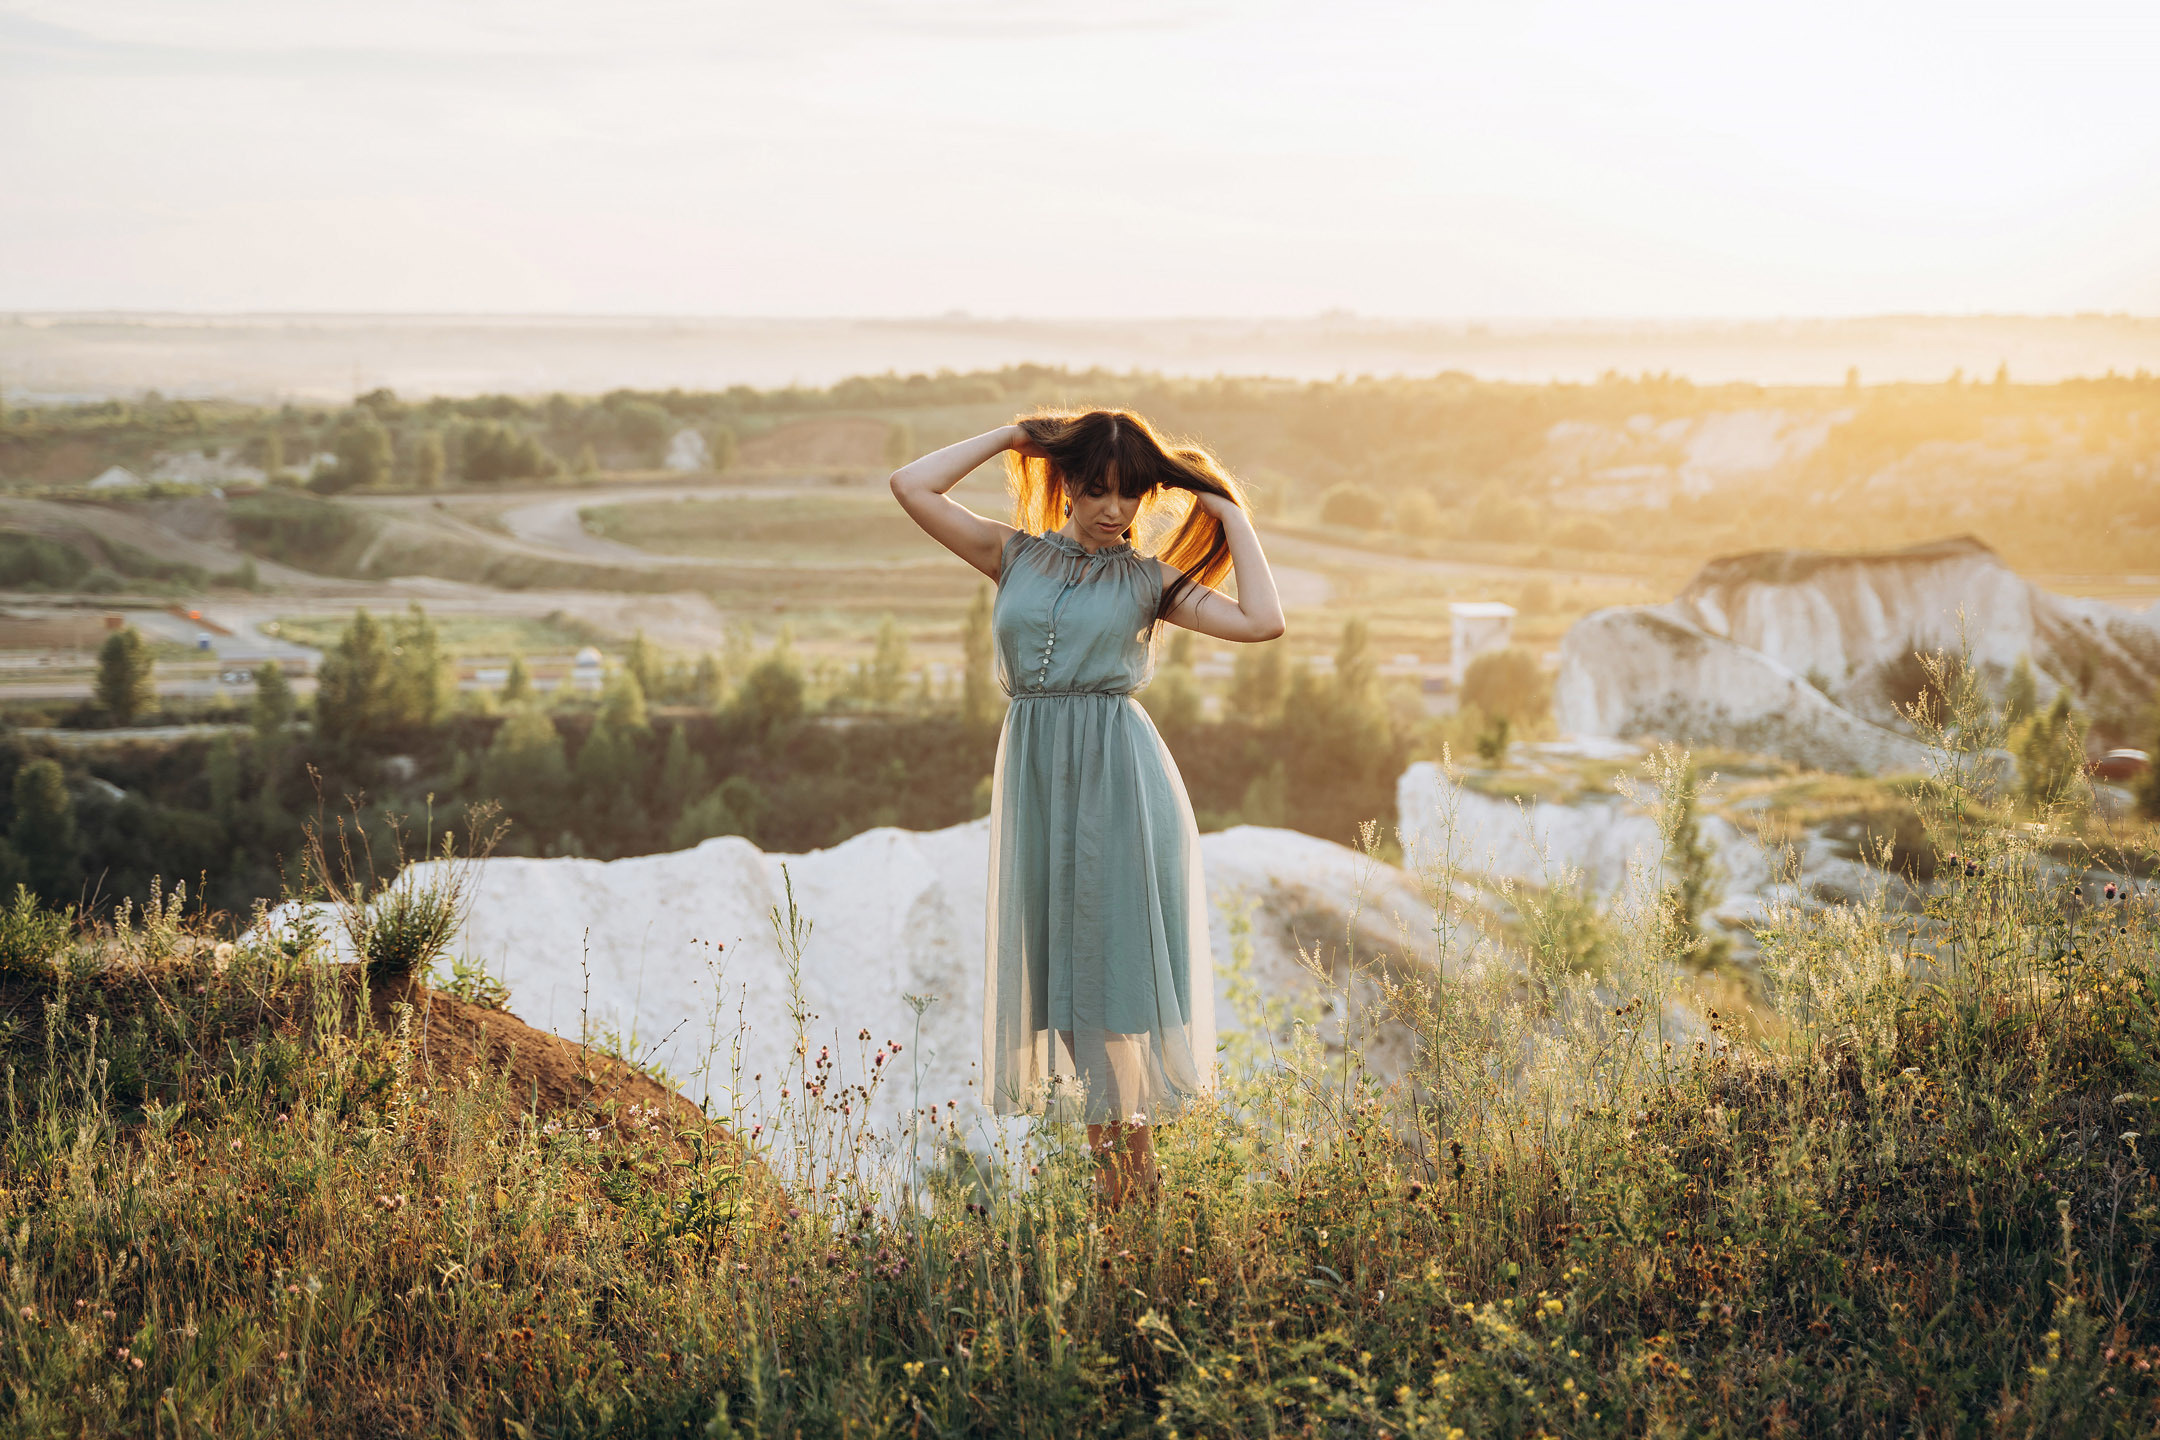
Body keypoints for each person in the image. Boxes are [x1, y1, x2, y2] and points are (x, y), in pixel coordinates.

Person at [890, 409, 1286, 1208]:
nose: (1115, 508)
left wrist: (1228, 510)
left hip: (1117, 780)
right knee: (1068, 991)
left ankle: (1127, 1194)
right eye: (1099, 489)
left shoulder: (1146, 581)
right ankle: (1132, 1190)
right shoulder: (1014, 556)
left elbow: (1262, 621)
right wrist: (1008, 438)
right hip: (1039, 775)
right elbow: (910, 484)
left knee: (1109, 991)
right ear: (1066, 483)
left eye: (1131, 493)